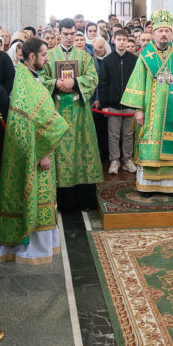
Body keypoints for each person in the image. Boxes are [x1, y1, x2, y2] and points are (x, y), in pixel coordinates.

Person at [0, 38, 70, 264]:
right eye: (44, 55)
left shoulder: (27, 77)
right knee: (37, 195)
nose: (47, 59)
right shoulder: (26, 81)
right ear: (31, 57)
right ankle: (35, 248)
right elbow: (33, 121)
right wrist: (42, 152)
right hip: (36, 152)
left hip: (35, 148)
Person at [120, 9, 173, 195]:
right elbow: (138, 84)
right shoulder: (145, 57)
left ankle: (170, 186)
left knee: (171, 145)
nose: (164, 34)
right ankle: (147, 185)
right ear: (153, 33)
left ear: (171, 34)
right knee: (150, 144)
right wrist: (139, 110)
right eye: (160, 31)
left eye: (167, 31)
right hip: (150, 111)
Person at [41, 18, 104, 211]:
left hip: (80, 112)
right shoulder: (49, 56)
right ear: (59, 33)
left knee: (81, 149)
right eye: (65, 34)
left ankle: (84, 200)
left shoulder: (84, 57)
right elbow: (41, 78)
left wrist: (74, 82)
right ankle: (62, 201)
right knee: (59, 152)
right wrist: (55, 83)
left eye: (72, 34)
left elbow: (93, 78)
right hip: (57, 110)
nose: (69, 37)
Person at [96, 29, 139, 175]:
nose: (121, 42)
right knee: (113, 135)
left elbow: (137, 83)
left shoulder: (134, 60)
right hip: (113, 105)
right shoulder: (107, 60)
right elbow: (103, 84)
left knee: (128, 135)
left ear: (128, 41)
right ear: (113, 40)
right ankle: (114, 160)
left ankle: (127, 160)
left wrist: (136, 103)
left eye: (124, 40)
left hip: (130, 104)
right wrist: (105, 105)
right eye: (119, 39)